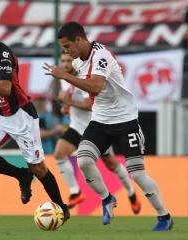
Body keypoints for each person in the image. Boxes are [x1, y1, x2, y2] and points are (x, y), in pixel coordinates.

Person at [43, 21, 173, 230]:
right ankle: (107, 198)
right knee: (84, 161)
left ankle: (164, 216)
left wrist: (64, 76)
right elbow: (83, 86)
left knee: (137, 173)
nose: (66, 52)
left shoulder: (101, 55)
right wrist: (68, 94)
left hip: (125, 121)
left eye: (68, 47)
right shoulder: (78, 63)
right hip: (100, 122)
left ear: (79, 40)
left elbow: (95, 85)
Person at [0, 11, 70, 222]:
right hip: (0, 115)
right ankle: (21, 175)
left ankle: (62, 207)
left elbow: (6, 88)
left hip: (21, 116)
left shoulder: (3, 54)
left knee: (38, 168)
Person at [55, 51, 141, 214]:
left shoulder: (85, 79)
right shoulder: (64, 79)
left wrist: (69, 102)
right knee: (59, 154)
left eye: (68, 60)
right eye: (63, 61)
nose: (65, 64)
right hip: (76, 126)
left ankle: (131, 193)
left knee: (112, 164)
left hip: (95, 128)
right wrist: (65, 107)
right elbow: (70, 100)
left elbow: (91, 104)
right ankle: (75, 192)